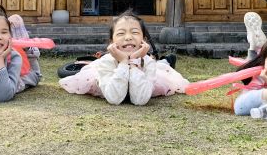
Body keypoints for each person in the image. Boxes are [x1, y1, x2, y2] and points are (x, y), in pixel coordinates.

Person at [59, 10, 189, 105]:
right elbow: (114, 99)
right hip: (109, 74)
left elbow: (140, 100)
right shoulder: (105, 62)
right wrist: (123, 62)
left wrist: (133, 64)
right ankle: (165, 61)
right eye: (121, 33)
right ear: (112, 41)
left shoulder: (148, 63)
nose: (128, 37)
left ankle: (166, 61)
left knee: (161, 68)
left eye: (135, 32)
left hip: (147, 65)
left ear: (144, 40)